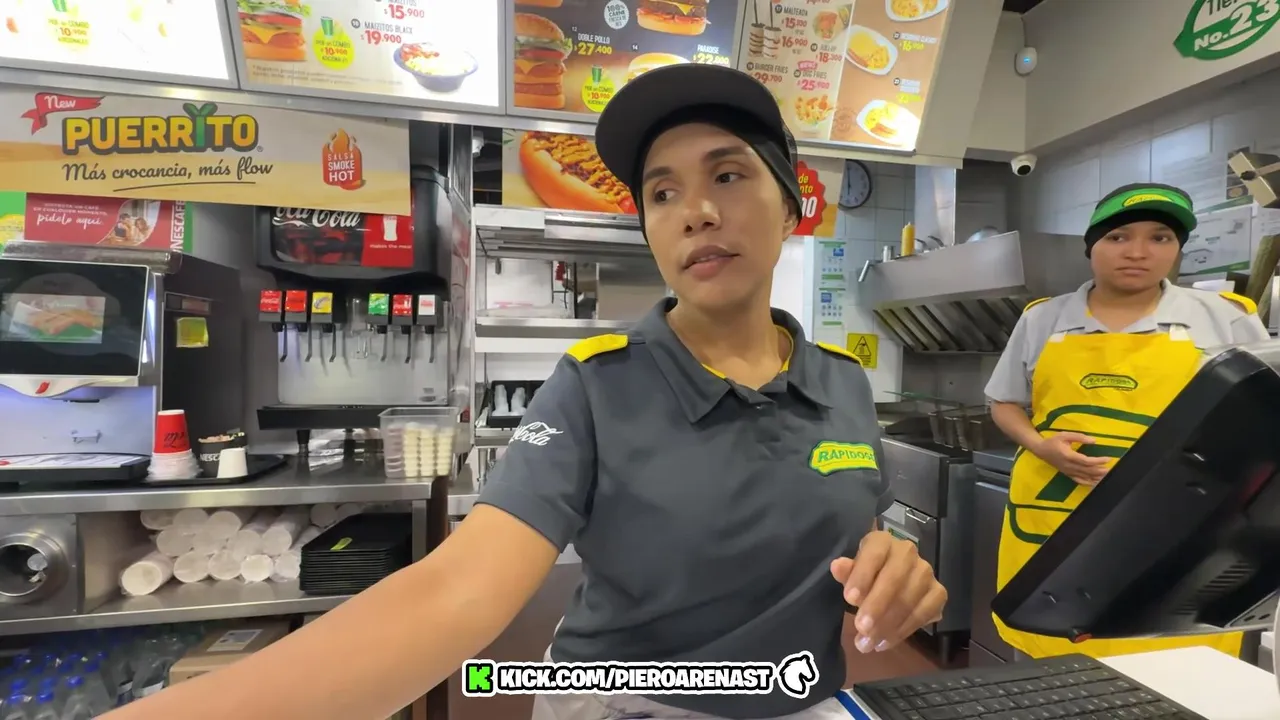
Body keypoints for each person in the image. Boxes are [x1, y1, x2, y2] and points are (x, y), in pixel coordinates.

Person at [103, 66, 945, 720]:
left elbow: (844, 535)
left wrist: (892, 572)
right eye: (662, 192)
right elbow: (453, 592)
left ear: (792, 204)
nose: (694, 210)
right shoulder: (596, 386)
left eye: (727, 176)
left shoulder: (841, 383)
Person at [985, 182, 1271, 659]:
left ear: (1177, 248)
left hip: (1174, 518)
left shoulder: (1225, 317)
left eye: (1160, 237)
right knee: (1051, 659)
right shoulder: (1043, 319)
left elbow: (1262, 412)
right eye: (1118, 237)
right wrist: (1041, 446)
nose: (1138, 252)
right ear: (1092, 247)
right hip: (1054, 515)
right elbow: (1004, 402)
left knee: (1170, 661)